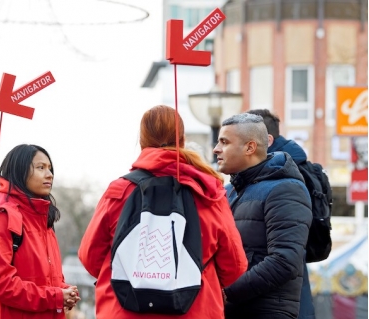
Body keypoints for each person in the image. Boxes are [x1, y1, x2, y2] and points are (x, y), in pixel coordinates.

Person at [78, 105, 248, 319]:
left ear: (142, 142)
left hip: (123, 310)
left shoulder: (119, 191)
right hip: (196, 310)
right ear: (183, 140)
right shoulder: (208, 193)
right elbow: (234, 266)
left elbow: (89, 256)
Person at [213, 113, 313, 319]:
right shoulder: (229, 191)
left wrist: (226, 293)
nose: (216, 149)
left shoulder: (286, 189)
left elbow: (284, 261)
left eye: (224, 142)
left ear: (250, 147)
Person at [0, 144, 80, 318]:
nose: (49, 174)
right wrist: (55, 296)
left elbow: (45, 278)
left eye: (50, 168)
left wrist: (64, 290)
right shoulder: (2, 217)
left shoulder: (45, 220)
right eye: (40, 167)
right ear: (19, 171)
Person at [247, 108, 315, 319]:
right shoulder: (264, 175)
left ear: (267, 139)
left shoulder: (284, 180)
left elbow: (284, 259)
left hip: (278, 300)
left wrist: (230, 291)